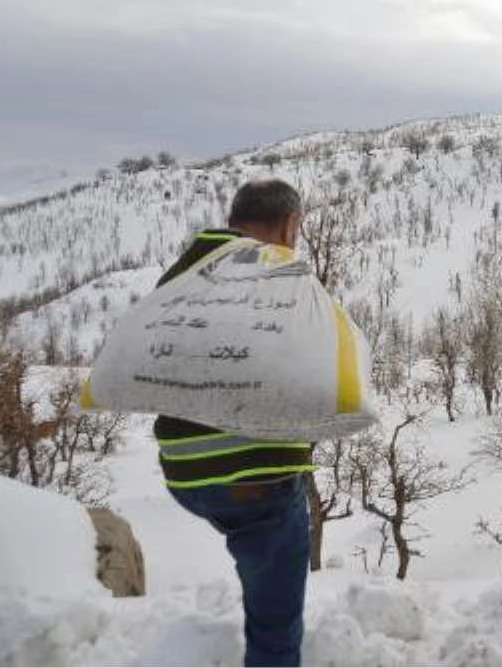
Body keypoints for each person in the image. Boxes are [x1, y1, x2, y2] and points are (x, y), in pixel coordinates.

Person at [154, 179, 315, 668]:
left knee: (258, 552)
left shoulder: (180, 274)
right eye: (298, 229)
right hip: (254, 480)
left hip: (183, 473)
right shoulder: (283, 274)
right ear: (289, 224)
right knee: (274, 624)